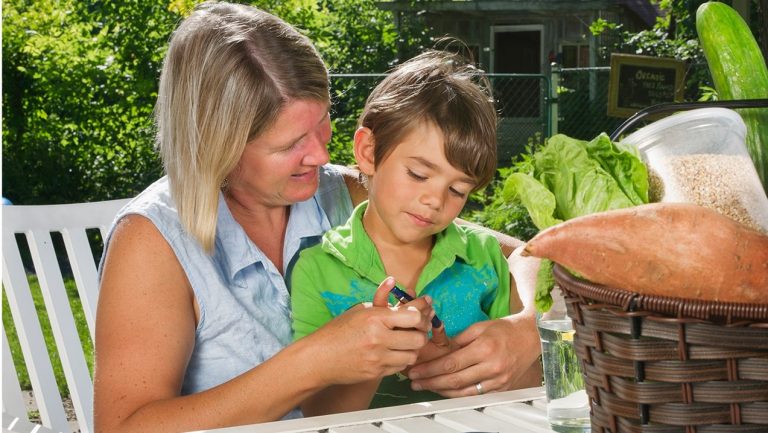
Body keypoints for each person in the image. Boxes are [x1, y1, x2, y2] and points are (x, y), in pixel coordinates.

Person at [93, 2, 540, 432]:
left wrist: (527, 330)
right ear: (217, 145)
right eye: (290, 144)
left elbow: (531, 255)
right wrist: (313, 362)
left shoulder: (340, 191)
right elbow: (122, 428)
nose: (321, 155)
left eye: (322, 123)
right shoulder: (153, 239)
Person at [290, 49, 540, 415]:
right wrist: (378, 354)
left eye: (458, 190)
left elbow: (531, 386)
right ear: (368, 151)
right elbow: (317, 416)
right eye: (419, 174)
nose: (435, 200)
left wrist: (467, 370)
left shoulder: (484, 258)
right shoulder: (316, 269)